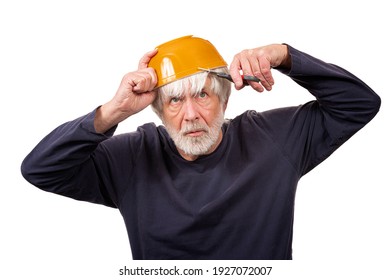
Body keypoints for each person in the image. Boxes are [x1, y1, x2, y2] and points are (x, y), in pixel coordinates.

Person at [21, 35, 381, 260]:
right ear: (159, 110)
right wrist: (112, 111)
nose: (190, 114)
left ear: (224, 99)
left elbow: (359, 103)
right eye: (175, 101)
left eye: (203, 95)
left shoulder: (274, 137)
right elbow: (40, 168)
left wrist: (282, 55)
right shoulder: (131, 157)